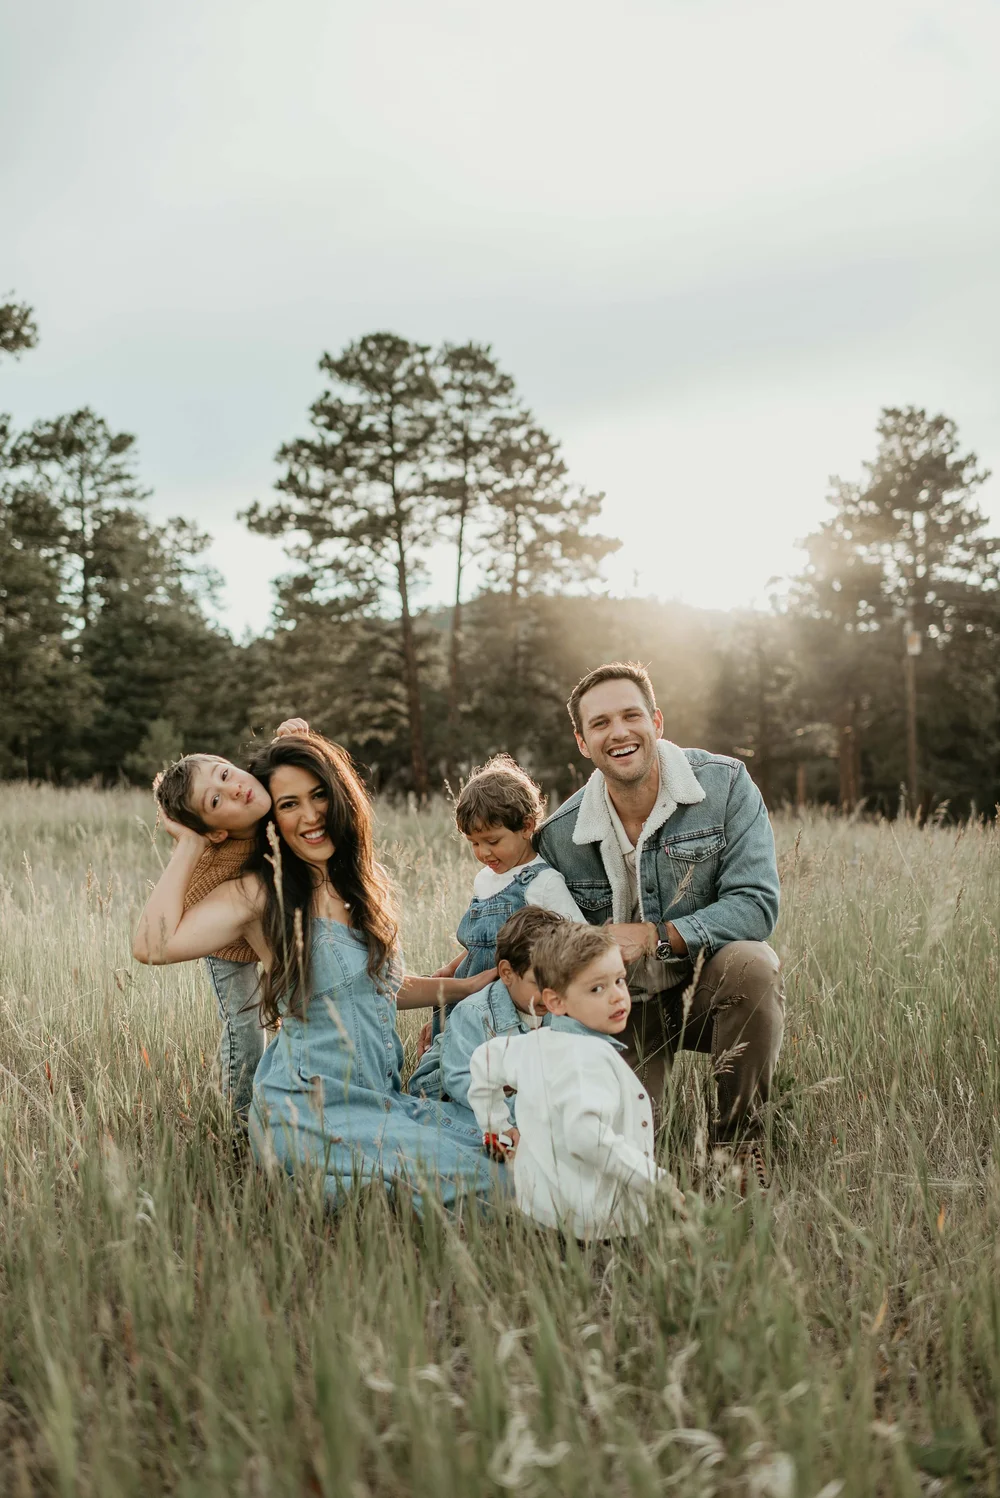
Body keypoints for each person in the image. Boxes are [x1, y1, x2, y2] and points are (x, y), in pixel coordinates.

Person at [134, 731, 506, 1211]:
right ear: (273, 818)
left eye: (318, 795)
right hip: (309, 1109)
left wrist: (467, 987)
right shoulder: (261, 893)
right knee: (489, 1185)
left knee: (503, 1145)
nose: (309, 815)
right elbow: (151, 946)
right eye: (288, 804)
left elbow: (377, 992)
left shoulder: (356, 883)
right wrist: (189, 840)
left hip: (377, 1098)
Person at [535, 661, 784, 1189]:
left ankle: (737, 1148)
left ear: (657, 722)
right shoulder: (559, 837)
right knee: (620, 1162)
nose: (619, 732)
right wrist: (455, 999)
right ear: (582, 742)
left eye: (631, 716)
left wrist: (656, 936)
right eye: (600, 724)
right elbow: (533, 932)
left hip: (705, 994)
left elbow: (757, 905)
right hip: (625, 1010)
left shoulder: (725, 785)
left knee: (753, 963)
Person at [467, 922, 685, 1240]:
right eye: (597, 988)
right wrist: (654, 1181)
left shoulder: (533, 1043)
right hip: (595, 1224)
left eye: (619, 981)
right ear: (556, 1002)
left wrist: (497, 1128)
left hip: (539, 1207)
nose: (617, 997)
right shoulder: (587, 1061)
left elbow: (483, 1061)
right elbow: (586, 1137)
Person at [152, 716, 311, 1122]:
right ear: (215, 831)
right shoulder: (214, 865)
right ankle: (237, 1118)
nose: (232, 788)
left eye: (225, 773)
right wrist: (189, 839)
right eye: (215, 801)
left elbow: (281, 765)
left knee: (294, 1001)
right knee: (244, 1025)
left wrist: (292, 737)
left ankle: (284, 1095)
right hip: (224, 943)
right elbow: (176, 922)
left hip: (269, 919)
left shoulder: (251, 785)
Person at [408, 905, 562, 1106]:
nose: (552, 993)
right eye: (539, 983)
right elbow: (458, 1081)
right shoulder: (474, 1014)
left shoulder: (558, 1008)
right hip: (441, 1090)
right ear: (507, 973)